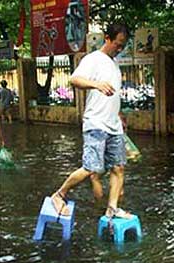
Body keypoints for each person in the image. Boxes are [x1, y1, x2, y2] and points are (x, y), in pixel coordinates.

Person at [49, 23, 131, 219]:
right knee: (91, 168)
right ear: (107, 38)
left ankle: (112, 208)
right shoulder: (93, 59)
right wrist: (96, 84)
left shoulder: (115, 64)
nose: (119, 49)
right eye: (117, 44)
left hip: (114, 125)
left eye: (123, 46)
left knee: (118, 167)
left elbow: (113, 95)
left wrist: (118, 115)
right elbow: (74, 80)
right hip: (95, 123)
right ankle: (59, 194)